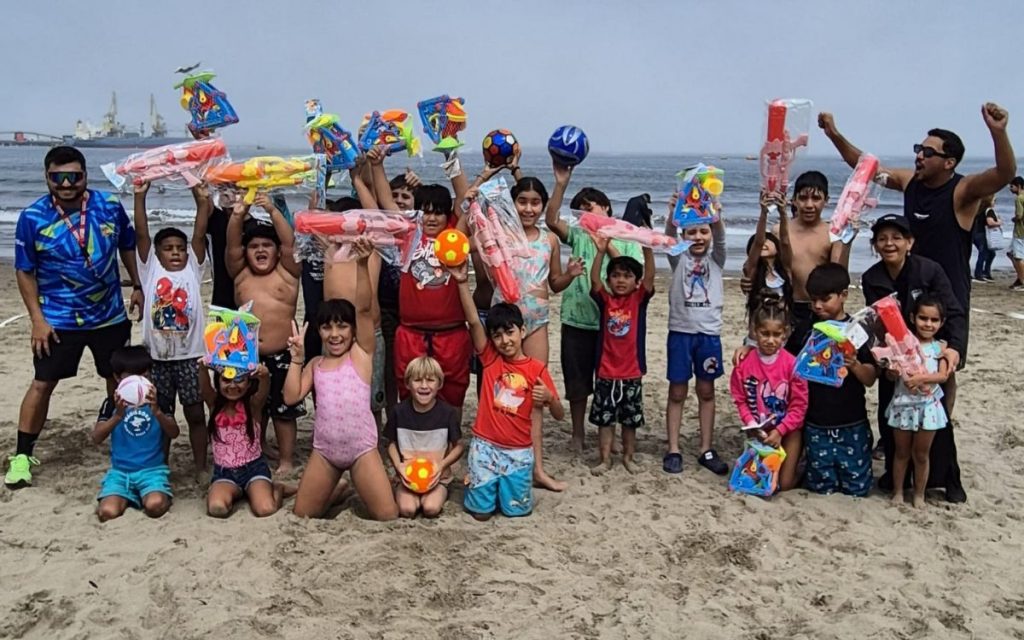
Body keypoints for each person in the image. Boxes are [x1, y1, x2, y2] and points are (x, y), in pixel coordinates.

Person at [819, 104, 1016, 415]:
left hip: (948, 295)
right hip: (909, 290)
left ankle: (940, 430)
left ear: (949, 162)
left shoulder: (962, 191)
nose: (919, 156)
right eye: (918, 149)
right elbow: (866, 168)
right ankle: (893, 433)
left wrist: (998, 132)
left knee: (941, 365)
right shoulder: (911, 183)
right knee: (896, 360)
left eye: (927, 152)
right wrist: (834, 135)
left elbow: (1005, 174)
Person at [7, 146, 144, 488]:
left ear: (85, 175)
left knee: (118, 380)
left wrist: (138, 285)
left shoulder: (109, 206)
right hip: (58, 320)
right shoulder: (33, 217)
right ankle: (23, 455)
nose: (67, 184)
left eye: (74, 176)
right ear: (47, 177)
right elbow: (24, 272)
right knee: (42, 383)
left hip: (109, 315)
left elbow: (128, 245)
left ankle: (124, 441)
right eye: (58, 177)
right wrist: (37, 319)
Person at [283, 238, 398, 520]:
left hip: (362, 450)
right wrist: (296, 360)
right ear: (319, 332)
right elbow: (290, 397)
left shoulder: (361, 354)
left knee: (387, 516)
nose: (335, 334)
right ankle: (339, 487)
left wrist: (361, 264)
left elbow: (363, 310)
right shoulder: (315, 364)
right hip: (326, 452)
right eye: (327, 328)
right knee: (303, 513)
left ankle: (355, 484)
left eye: (342, 327)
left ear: (352, 330)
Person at [861, 214, 967, 502]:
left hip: (930, 356)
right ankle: (897, 481)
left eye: (897, 237)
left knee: (937, 421)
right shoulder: (872, 277)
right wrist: (886, 363)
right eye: (882, 238)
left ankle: (947, 481)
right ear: (875, 245)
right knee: (892, 420)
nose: (889, 243)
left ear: (910, 242)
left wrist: (954, 348)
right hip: (895, 362)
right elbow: (876, 326)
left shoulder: (930, 271)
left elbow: (953, 312)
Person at [451, 265, 564, 520]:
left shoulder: (536, 369)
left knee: (516, 512)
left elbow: (559, 414)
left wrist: (548, 398)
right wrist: (460, 282)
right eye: (497, 336)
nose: (505, 341)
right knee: (480, 513)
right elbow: (472, 322)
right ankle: (482, 484)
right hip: (485, 449)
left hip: (519, 452)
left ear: (522, 331)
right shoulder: (490, 359)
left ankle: (508, 486)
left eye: (510, 332)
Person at [544, 163, 642, 454]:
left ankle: (608, 438)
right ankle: (577, 434)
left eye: (591, 207)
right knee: (577, 382)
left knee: (610, 382)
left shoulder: (628, 237)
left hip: (614, 325)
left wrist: (606, 245)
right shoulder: (577, 234)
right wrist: (562, 183)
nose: (586, 213)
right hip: (576, 319)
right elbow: (551, 219)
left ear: (607, 208)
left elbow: (628, 274)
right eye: (581, 209)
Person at [133, 181, 210, 478]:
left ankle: (201, 466)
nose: (176, 253)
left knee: (194, 413)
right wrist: (140, 195)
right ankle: (160, 465)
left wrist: (202, 201)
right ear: (157, 253)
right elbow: (141, 232)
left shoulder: (194, 268)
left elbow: (200, 233)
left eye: (180, 248)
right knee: (162, 415)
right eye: (168, 249)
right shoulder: (150, 268)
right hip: (157, 359)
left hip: (191, 357)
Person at [226, 195, 303, 474]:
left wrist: (271, 209)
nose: (260, 250)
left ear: (277, 251)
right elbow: (232, 245)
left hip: (282, 353)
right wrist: (238, 215)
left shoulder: (288, 272)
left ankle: (285, 460)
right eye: (254, 246)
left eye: (266, 245)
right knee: (253, 408)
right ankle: (256, 449)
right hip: (247, 354)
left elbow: (289, 242)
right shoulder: (240, 274)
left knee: (284, 411)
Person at [662, 208, 729, 476]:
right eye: (692, 232)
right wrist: (672, 213)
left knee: (706, 391)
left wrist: (715, 211)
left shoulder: (717, 260)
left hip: (709, 335)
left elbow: (722, 237)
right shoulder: (679, 258)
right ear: (683, 234)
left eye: (704, 231)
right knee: (677, 392)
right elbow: (667, 235)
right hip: (680, 333)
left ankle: (706, 448)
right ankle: (674, 448)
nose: (698, 237)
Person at [802, 264, 878, 497]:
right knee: (820, 486)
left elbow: (870, 378)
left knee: (858, 487)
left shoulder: (857, 331)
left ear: (844, 295)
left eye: (825, 299)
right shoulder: (807, 330)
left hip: (851, 421)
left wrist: (854, 363)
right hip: (816, 422)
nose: (817, 306)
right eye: (813, 300)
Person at [588, 238, 655, 475]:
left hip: (632, 372)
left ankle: (628, 457)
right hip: (606, 371)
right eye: (616, 275)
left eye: (627, 276)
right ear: (610, 280)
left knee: (630, 420)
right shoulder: (606, 301)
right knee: (605, 420)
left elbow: (649, 278)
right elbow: (594, 280)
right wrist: (600, 252)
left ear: (636, 283)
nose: (621, 280)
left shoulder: (638, 300)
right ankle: (605, 458)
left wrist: (648, 250)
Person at [764, 171, 850, 354]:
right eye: (803, 198)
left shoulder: (832, 233)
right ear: (793, 200)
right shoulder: (779, 230)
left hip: (821, 308)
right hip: (788, 305)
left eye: (816, 198)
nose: (809, 205)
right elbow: (768, 266)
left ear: (826, 200)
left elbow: (837, 274)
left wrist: (847, 239)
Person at [729, 296, 808, 492]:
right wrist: (750, 422)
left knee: (785, 484)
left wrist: (781, 431)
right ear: (755, 332)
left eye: (776, 334)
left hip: (788, 430)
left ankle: (803, 462)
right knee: (756, 480)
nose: (770, 340)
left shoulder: (793, 365)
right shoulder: (744, 364)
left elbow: (799, 405)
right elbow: (740, 399)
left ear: (785, 334)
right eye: (765, 333)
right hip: (758, 429)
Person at [93, 347, 179, 521]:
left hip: (152, 471)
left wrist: (158, 413)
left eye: (145, 376)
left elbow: (174, 432)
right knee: (107, 512)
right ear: (118, 378)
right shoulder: (112, 403)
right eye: (132, 378)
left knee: (155, 507)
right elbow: (96, 437)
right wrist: (117, 416)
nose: (140, 382)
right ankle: (126, 495)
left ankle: (149, 494)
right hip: (120, 472)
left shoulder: (158, 399)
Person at [883, 295, 951, 509]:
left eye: (934, 320)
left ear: (942, 322)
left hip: (928, 407)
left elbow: (943, 376)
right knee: (901, 452)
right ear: (912, 317)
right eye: (923, 318)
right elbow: (890, 376)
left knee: (921, 454)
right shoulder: (902, 344)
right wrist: (892, 372)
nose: (928, 324)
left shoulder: (941, 348)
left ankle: (919, 494)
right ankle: (898, 491)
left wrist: (922, 379)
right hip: (903, 404)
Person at [198, 361, 291, 517]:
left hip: (253, 469)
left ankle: (277, 489)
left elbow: (264, 389)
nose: (233, 386)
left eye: (239, 380)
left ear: (248, 383)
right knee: (217, 508)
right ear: (218, 382)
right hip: (224, 473)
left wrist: (264, 375)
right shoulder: (214, 404)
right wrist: (202, 368)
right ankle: (240, 492)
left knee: (265, 509)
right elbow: (205, 388)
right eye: (226, 380)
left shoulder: (253, 406)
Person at [384, 356, 464, 518]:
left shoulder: (447, 413)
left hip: (437, 476)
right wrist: (399, 466)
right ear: (407, 384)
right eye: (418, 380)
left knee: (430, 508)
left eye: (430, 380)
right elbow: (391, 443)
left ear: (439, 384)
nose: (424, 386)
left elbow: (459, 446)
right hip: (407, 476)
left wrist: (441, 465)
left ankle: (441, 492)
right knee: (407, 510)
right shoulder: (399, 412)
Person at [743, 191, 794, 330]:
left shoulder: (785, 269)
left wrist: (783, 212)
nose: (764, 243)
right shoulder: (752, 271)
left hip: (781, 330)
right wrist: (763, 212)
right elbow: (758, 242)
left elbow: (785, 241)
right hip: (758, 331)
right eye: (762, 241)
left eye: (769, 240)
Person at [971, 195, 1000, 282]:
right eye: (994, 201)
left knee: (989, 253)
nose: (995, 203)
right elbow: (990, 223)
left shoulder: (979, 209)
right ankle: (979, 274)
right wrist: (999, 222)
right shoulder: (989, 210)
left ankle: (984, 272)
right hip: (981, 233)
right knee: (984, 253)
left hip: (975, 232)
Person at [1010, 177, 1024, 290]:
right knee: (1011, 253)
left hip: (1020, 231)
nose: (1010, 188)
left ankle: (1022, 279)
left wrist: (1013, 219)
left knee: (1018, 257)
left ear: (1018, 186)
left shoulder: (1019, 198)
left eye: (1012, 186)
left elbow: (1019, 215)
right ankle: (1019, 277)